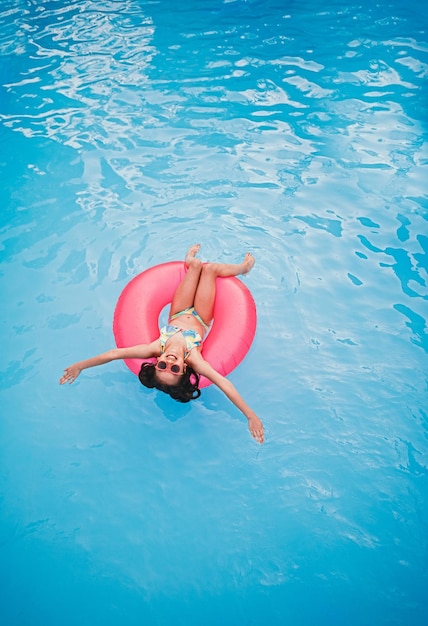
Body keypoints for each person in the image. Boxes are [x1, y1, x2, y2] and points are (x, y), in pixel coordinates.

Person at [59, 244, 264, 444]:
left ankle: (189, 259)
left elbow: (114, 353)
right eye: (173, 369)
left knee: (194, 266)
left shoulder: (157, 347)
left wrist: (80, 365)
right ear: (183, 368)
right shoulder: (193, 357)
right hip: (201, 317)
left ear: (157, 362)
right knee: (210, 270)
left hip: (179, 311)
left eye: (162, 366)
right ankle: (243, 269)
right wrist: (250, 416)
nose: (169, 362)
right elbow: (224, 384)